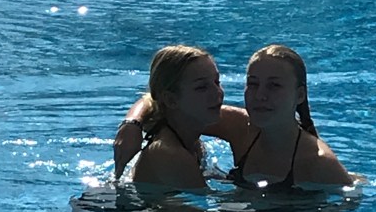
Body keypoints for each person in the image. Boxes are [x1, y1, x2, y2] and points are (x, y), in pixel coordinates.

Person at [115, 44, 352, 191]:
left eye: (274, 86)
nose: (260, 96)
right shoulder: (241, 127)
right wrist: (131, 124)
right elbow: (160, 101)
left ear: (299, 95)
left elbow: (348, 204)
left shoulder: (318, 162)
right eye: (253, 84)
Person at [130, 45, 224, 190]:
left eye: (217, 82)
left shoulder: (192, 142)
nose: (217, 92)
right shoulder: (169, 154)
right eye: (201, 87)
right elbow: (206, 202)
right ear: (171, 100)